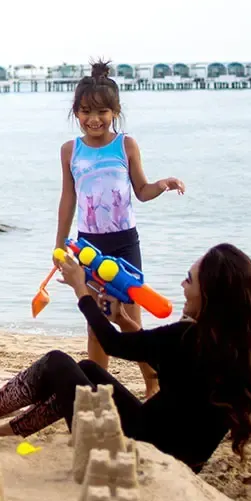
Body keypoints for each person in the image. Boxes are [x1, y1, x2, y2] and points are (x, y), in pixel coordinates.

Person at [0, 243, 251, 473]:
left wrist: (80, 289)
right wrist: (123, 320)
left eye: (189, 280)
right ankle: (2, 436)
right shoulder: (237, 348)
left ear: (210, 294)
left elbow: (110, 344)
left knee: (58, 363)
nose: (182, 286)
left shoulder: (188, 337)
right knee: (86, 370)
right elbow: (159, 364)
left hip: (138, 451)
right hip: (172, 450)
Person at [56, 60, 185, 398]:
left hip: (125, 244)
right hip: (87, 247)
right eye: (85, 111)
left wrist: (162, 184)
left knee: (130, 321)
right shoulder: (70, 151)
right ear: (76, 113)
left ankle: (153, 384)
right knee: (96, 322)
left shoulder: (126, 145)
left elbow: (141, 191)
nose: (93, 119)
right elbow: (68, 199)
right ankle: (98, 389)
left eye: (101, 111)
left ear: (115, 111)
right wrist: (59, 247)